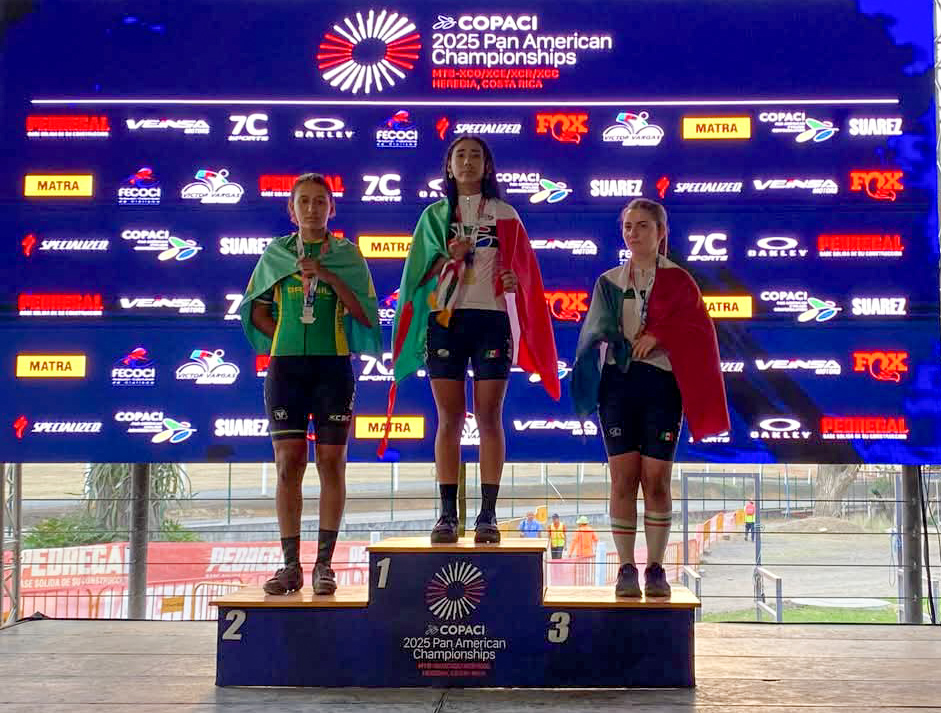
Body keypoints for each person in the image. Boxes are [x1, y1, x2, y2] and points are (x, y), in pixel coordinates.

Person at [381, 135, 560, 544]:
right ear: (449, 166)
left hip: (491, 319)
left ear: (487, 166)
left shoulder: (505, 213)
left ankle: (488, 516)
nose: (467, 161)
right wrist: (449, 257)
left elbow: (525, 273)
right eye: (459, 155)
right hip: (445, 320)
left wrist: (513, 280)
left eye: (475, 155)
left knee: (489, 417)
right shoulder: (434, 215)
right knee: (449, 418)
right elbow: (417, 278)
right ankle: (447, 515)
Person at [572, 198, 729, 598]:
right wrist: (613, 337)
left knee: (656, 481)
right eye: (628, 226)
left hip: (661, 384)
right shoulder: (609, 281)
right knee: (623, 479)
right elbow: (593, 330)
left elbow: (697, 330)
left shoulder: (679, 281)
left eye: (643, 225)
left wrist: (661, 334)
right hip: (618, 384)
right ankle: (626, 568)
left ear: (661, 233)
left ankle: (656, 569)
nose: (634, 233)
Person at [239, 173, 381, 595]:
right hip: (286, 369)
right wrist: (283, 337)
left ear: (331, 209)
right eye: (304, 201)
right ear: (292, 209)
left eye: (321, 201)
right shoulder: (277, 254)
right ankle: (290, 566)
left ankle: (324, 565)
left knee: (331, 463)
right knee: (288, 463)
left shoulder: (347, 255)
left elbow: (365, 314)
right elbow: (256, 311)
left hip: (332, 368)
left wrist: (328, 276)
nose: (312, 208)